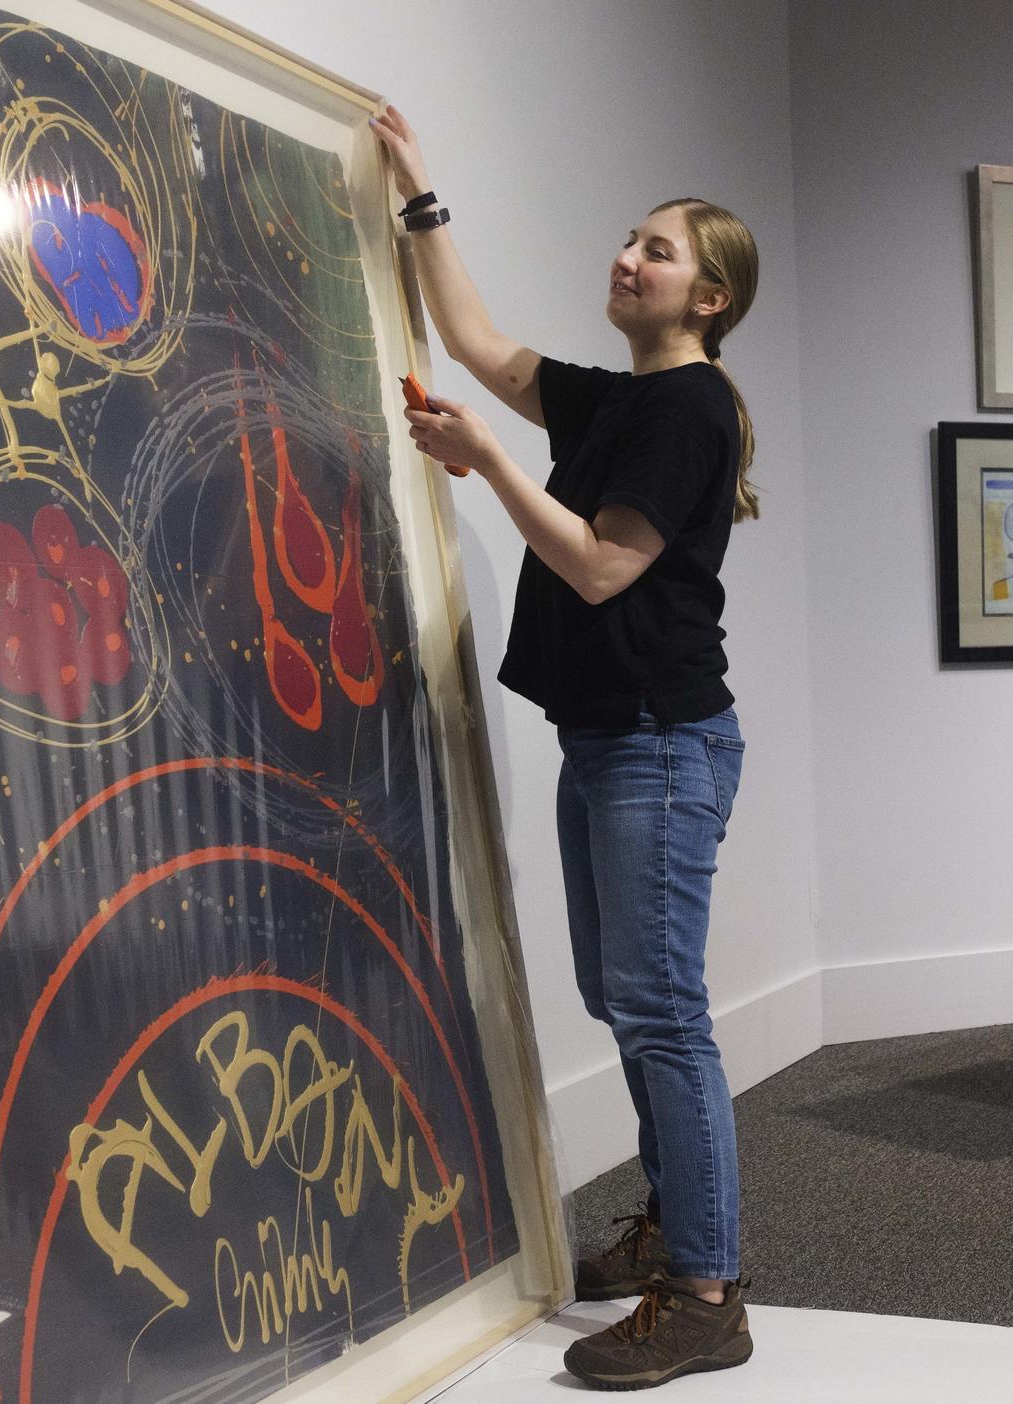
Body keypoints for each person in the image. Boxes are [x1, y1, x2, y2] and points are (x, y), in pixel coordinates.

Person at [370, 105, 761, 1390]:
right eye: (626, 242)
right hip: (614, 742)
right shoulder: (616, 400)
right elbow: (479, 345)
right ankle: (675, 1238)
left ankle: (707, 1293)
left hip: (660, 744)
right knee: (625, 999)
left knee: (661, 1013)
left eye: (652, 251)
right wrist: (422, 197)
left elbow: (599, 568)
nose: (624, 259)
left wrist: (483, 463)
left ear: (705, 296)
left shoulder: (688, 412)